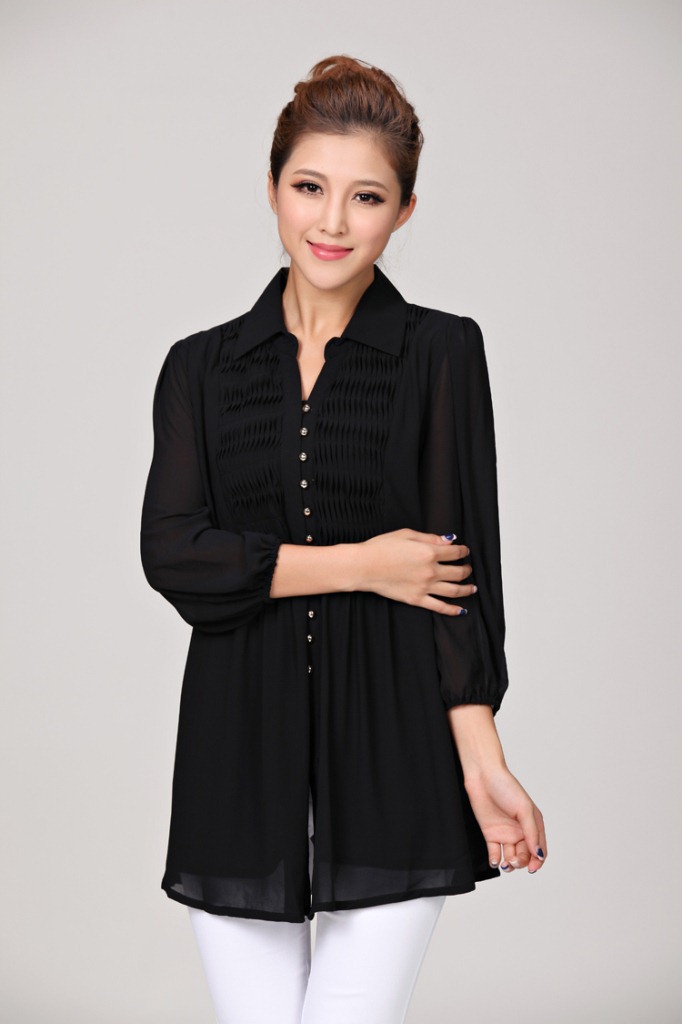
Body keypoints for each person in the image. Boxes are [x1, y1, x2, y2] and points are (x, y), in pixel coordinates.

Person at [140, 55, 547, 1024]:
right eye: (308, 187)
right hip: (237, 749)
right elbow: (176, 554)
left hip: (396, 747)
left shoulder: (442, 351)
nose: (331, 221)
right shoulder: (198, 368)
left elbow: (460, 577)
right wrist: (365, 564)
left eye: (366, 197)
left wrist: (481, 760)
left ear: (403, 210)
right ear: (272, 188)